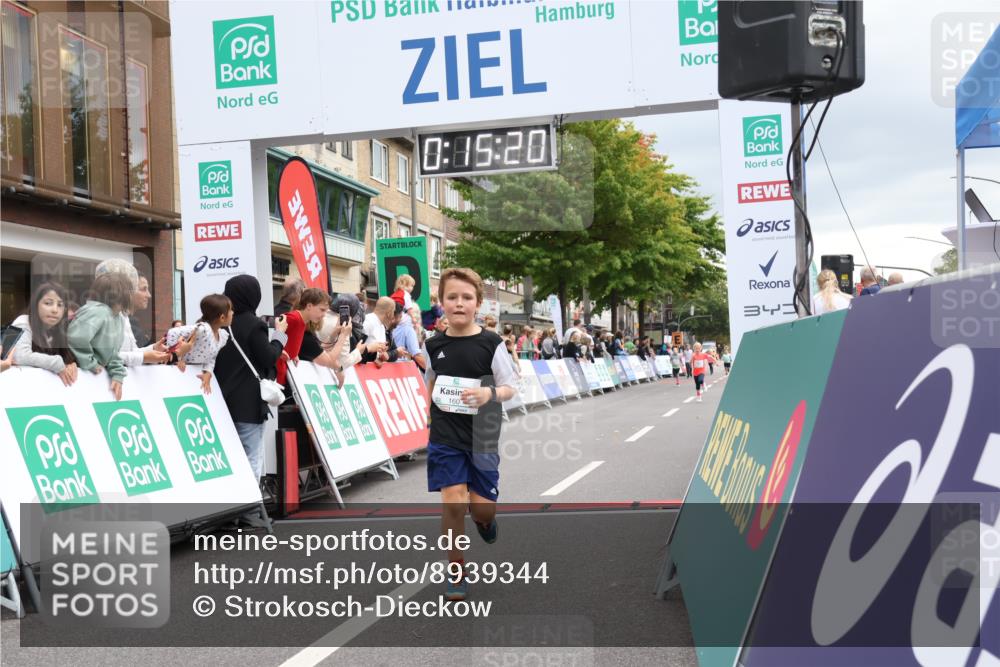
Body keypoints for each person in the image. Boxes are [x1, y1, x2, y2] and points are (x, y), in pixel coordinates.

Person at [423, 267, 518, 602]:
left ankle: (484, 523)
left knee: (481, 510)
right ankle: (457, 570)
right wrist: (427, 411)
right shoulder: (433, 344)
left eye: (466, 298)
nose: (459, 303)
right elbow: (430, 381)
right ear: (442, 303)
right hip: (446, 433)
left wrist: (489, 395)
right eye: (452, 297)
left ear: (478, 303)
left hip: (483, 432)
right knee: (452, 502)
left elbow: (511, 386)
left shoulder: (491, 343)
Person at [213, 275, 289, 480]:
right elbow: (268, 357)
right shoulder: (254, 324)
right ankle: (251, 510)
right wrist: (280, 336)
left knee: (227, 459)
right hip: (248, 405)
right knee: (251, 458)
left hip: (218, 402)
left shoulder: (215, 322)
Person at [68, 272, 134, 401]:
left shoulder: (119, 318)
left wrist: (117, 374)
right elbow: (75, 338)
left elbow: (113, 353)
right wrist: (90, 363)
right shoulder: (98, 311)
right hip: (75, 372)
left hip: (89, 375)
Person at [94, 259, 170, 367]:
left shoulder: (123, 316)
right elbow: (104, 357)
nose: (148, 295)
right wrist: (144, 357)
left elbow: (131, 351)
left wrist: (153, 349)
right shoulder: (100, 315)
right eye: (130, 287)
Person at [11, 282, 78, 386]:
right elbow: (20, 356)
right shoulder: (22, 322)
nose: (55, 310)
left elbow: (67, 358)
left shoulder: (57, 330)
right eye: (48, 303)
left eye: (60, 305)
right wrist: (57, 363)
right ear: (35, 304)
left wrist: (70, 365)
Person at [165, 293, 233, 393]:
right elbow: (172, 332)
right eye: (231, 310)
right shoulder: (202, 329)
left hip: (189, 377)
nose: (233, 312)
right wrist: (177, 358)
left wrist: (208, 372)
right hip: (174, 372)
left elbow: (212, 357)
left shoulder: (222, 336)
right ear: (222, 317)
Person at [276, 288, 330, 388]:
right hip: (276, 375)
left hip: (284, 375)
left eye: (325, 311)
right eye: (322, 310)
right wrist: (279, 351)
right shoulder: (294, 318)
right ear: (309, 306)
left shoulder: (302, 322)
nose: (324, 315)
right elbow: (274, 329)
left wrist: (293, 353)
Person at [392, 292, 427, 371]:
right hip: (401, 369)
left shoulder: (391, 325)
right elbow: (417, 355)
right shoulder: (408, 329)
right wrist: (433, 372)